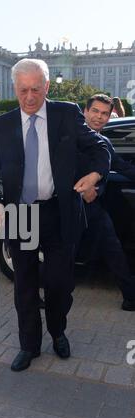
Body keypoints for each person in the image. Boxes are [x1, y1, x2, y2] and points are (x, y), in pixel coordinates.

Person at [0, 58, 110, 372]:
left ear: (47, 86)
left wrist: (95, 175)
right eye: (23, 90)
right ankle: (29, 345)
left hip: (58, 212)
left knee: (59, 284)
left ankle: (58, 331)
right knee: (24, 283)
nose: (28, 97)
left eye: (35, 89)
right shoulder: (1, 125)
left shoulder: (66, 114)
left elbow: (100, 148)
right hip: (20, 215)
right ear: (15, 88)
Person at [78, 94, 135, 311]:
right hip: (67, 206)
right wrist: (83, 189)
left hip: (93, 208)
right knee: (63, 255)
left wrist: (96, 189)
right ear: (86, 111)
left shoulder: (105, 142)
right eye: (95, 111)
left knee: (113, 248)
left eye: (104, 114)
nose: (99, 117)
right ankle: (46, 296)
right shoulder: (70, 138)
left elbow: (122, 166)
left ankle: (130, 297)